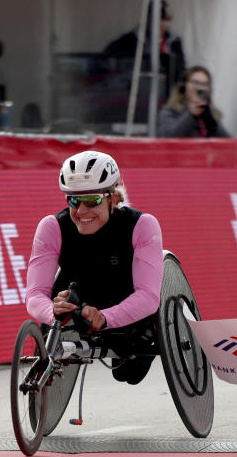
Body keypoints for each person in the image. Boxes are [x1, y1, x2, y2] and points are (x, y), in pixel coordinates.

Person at [24, 151, 163, 384]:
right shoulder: (51, 227)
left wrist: (104, 318)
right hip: (78, 299)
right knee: (49, 349)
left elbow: (149, 296)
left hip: (127, 304)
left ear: (113, 197)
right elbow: (34, 294)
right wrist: (53, 312)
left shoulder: (142, 225)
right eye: (73, 201)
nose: (81, 211)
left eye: (91, 201)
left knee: (127, 375)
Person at [104, 0, 185, 98]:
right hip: (136, 98)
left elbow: (181, 72)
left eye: (164, 19)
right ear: (147, 19)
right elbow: (106, 58)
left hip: (165, 97)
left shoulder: (174, 42)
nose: (161, 23)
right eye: (157, 18)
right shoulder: (131, 39)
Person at [157, 65, 230, 138]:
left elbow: (228, 141)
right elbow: (169, 137)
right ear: (184, 86)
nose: (200, 87)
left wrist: (208, 117)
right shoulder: (170, 111)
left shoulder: (210, 113)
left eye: (205, 84)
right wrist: (191, 114)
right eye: (195, 82)